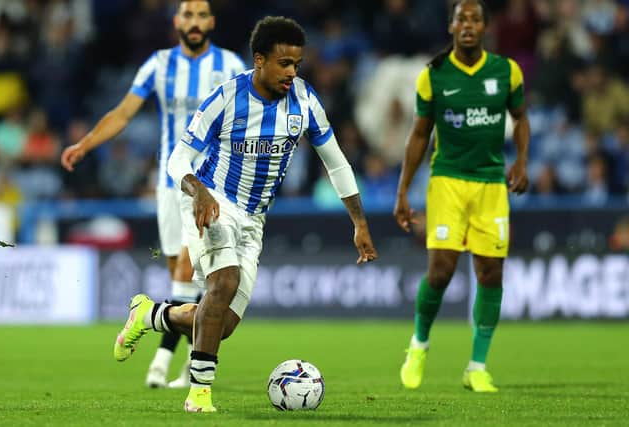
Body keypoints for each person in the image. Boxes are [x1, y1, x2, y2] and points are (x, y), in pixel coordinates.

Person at [113, 16, 378, 413]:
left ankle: (149, 314)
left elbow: (336, 163)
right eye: (284, 63)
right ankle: (199, 394)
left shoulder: (305, 101)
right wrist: (199, 192)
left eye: (297, 64)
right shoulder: (226, 96)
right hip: (212, 202)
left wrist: (359, 221)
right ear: (259, 60)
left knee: (222, 325)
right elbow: (178, 159)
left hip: (254, 219)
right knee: (224, 281)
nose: (292, 72)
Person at [60, 0, 245, 388]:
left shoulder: (229, 66)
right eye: (188, 16)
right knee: (180, 273)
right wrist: (86, 144)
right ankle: (184, 356)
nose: (194, 23)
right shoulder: (159, 65)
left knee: (189, 270)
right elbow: (124, 113)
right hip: (168, 183)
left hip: (210, 185)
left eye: (201, 16)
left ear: (212, 22)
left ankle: (163, 363)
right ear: (177, 22)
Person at [394, 0, 530, 393]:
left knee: (491, 273)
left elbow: (521, 118)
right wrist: (402, 190)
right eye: (461, 19)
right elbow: (420, 135)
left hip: (490, 183)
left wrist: (521, 161)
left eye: (475, 19)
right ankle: (419, 345)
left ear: (485, 27)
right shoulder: (434, 74)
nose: (467, 24)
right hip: (448, 180)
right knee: (441, 270)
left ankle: (476, 366)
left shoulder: (506, 71)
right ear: (451, 27)